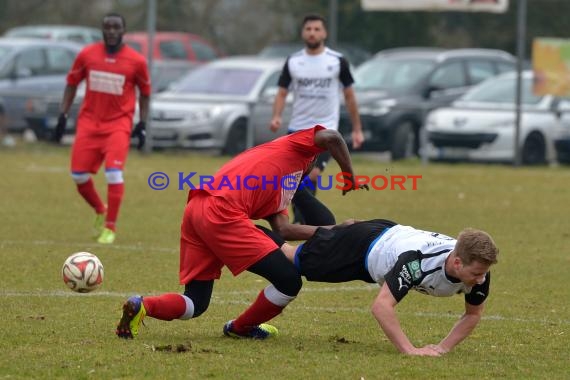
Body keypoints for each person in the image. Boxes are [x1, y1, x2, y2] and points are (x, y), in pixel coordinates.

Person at [116, 126, 368, 340]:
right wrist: (350, 177)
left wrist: (336, 230)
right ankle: (241, 328)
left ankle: (143, 305)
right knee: (289, 281)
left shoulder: (287, 186)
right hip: (222, 213)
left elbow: (284, 229)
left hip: (198, 208)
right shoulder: (296, 146)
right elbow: (332, 137)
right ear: (316, 157)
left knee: (196, 302)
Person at [256, 218, 498, 356]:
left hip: (389, 239)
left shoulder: (478, 271)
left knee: (310, 250)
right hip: (363, 246)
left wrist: (443, 348)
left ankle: (344, 227)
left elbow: (473, 313)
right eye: (476, 273)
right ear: (457, 262)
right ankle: (243, 227)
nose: (480, 280)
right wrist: (410, 350)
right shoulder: (417, 263)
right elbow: (381, 307)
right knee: (292, 258)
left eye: (483, 273)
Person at [54, 13, 150, 244]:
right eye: (107, 27)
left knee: (114, 172)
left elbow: (145, 94)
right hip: (89, 122)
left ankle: (110, 227)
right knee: (77, 175)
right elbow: (71, 84)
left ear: (124, 30)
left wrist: (142, 123)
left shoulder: (136, 61)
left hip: (119, 124)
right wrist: (63, 115)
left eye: (116, 27)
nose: (112, 31)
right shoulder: (87, 54)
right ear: (102, 30)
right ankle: (100, 208)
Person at [269, 14, 364, 225]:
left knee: (312, 175)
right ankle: (303, 221)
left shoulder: (337, 61)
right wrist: (276, 116)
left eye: (316, 29)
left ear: (324, 33)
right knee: (293, 178)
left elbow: (349, 96)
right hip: (296, 129)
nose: (312, 32)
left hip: (325, 131)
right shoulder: (293, 61)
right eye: (308, 29)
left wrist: (357, 129)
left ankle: (302, 222)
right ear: (303, 33)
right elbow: (282, 92)